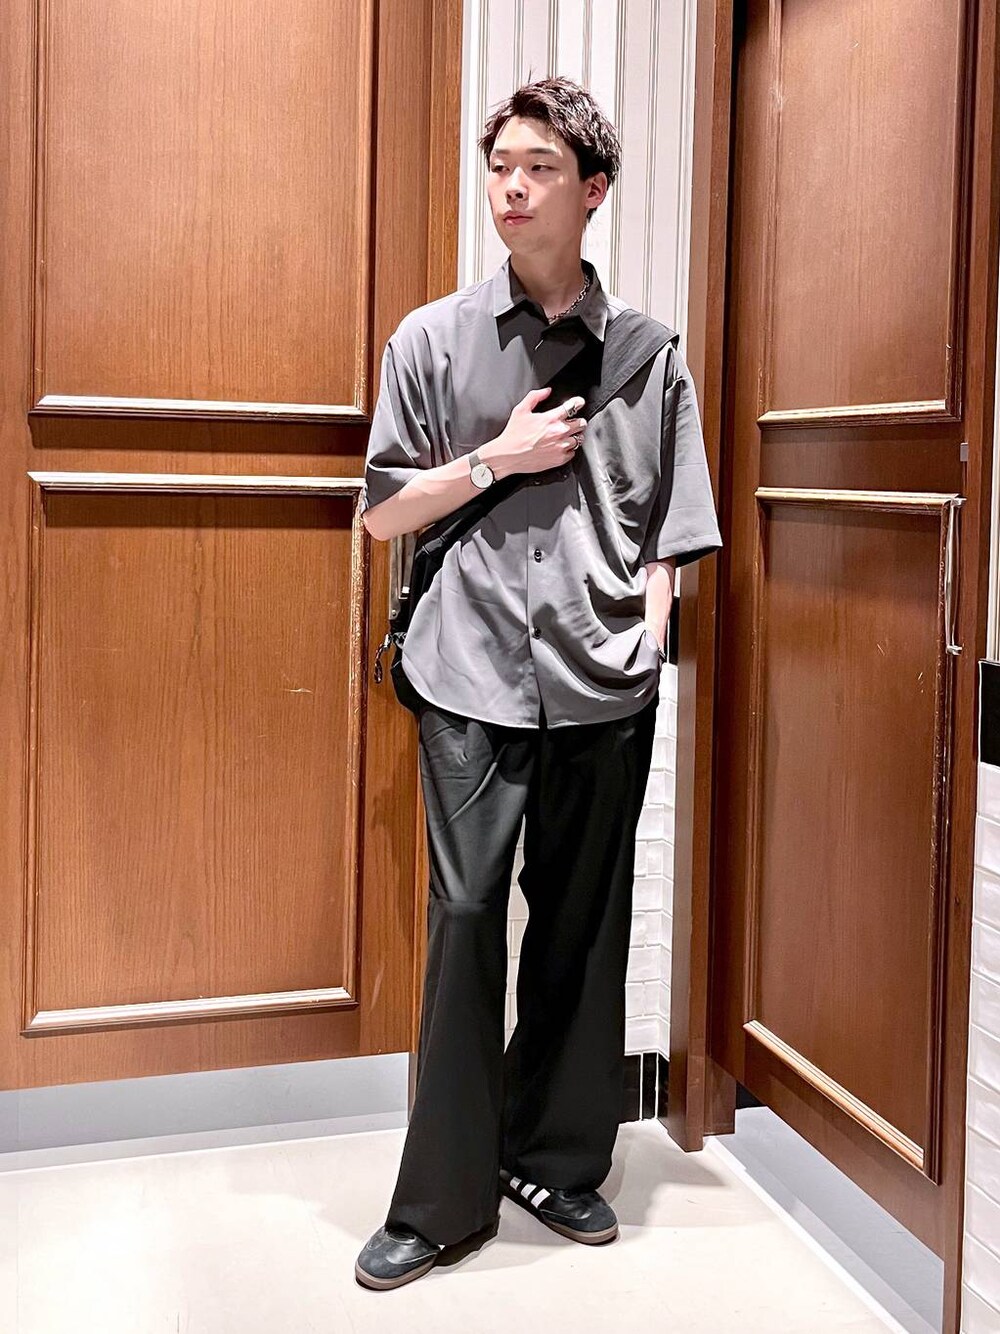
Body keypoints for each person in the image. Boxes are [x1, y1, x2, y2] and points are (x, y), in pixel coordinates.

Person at [354, 75, 722, 1291]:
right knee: (465, 920)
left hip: (602, 676)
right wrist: (495, 458)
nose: (511, 188)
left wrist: (649, 624)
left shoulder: (649, 357)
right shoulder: (430, 339)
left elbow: (672, 528)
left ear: (592, 189)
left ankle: (555, 1160)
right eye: (500, 165)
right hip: (466, 671)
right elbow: (381, 514)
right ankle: (440, 1199)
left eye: (540, 168)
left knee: (581, 924)